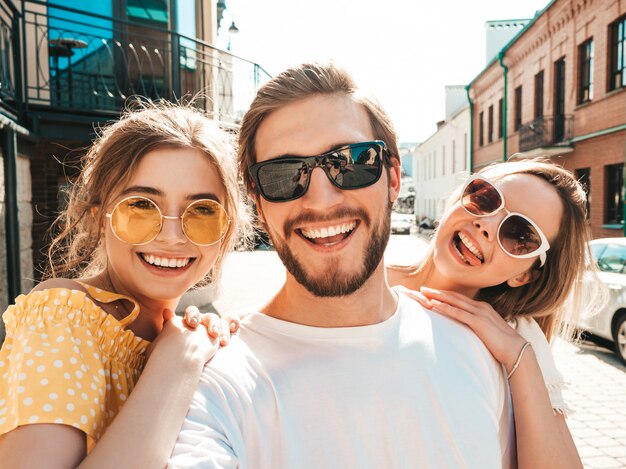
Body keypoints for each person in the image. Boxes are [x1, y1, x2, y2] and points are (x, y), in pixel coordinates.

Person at [168, 62, 515, 468]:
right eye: (284, 175)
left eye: (350, 162)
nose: (321, 199)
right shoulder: (216, 384)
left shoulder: (476, 349)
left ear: (393, 177)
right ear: (258, 202)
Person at [0, 102, 245, 468]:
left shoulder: (179, 332)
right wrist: (178, 362)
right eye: (142, 206)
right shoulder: (64, 318)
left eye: (203, 211)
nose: (173, 236)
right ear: (99, 218)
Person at [388, 158, 603, 468]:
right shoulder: (362, 281)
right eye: (485, 198)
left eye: (519, 235)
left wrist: (520, 357)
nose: (486, 225)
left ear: (525, 275)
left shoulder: (516, 336)